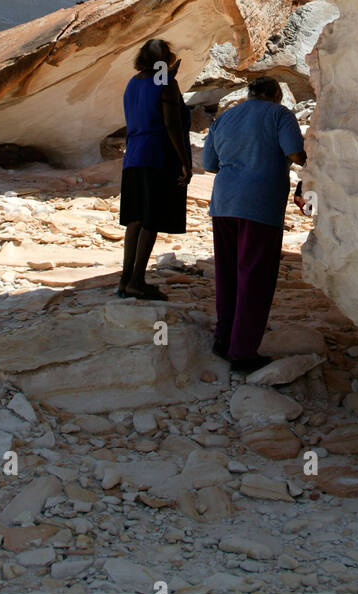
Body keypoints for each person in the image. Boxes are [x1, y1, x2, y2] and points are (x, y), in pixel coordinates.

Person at [202, 76, 306, 373]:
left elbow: (209, 163)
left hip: (223, 203)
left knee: (228, 271)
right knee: (255, 276)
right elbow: (295, 154)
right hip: (260, 204)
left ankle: (223, 338)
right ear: (275, 95)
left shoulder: (225, 117)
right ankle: (244, 351)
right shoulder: (279, 115)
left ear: (250, 94)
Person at [118, 38, 191, 299]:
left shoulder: (133, 82)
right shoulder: (165, 83)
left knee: (135, 218)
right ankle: (138, 280)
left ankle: (125, 280)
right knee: (152, 218)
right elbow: (172, 124)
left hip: (133, 155)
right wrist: (184, 160)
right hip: (158, 155)